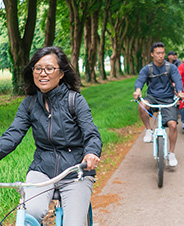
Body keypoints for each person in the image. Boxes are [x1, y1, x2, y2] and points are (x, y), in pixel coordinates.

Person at [0, 46, 102, 225]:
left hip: (76, 171)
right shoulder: (29, 105)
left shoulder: (75, 101)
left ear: (61, 73)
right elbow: (12, 135)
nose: (42, 74)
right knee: (28, 214)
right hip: (42, 170)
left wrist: (91, 153)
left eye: (49, 68)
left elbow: (91, 133)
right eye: (38, 68)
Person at [133, 42, 184, 167]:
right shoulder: (148, 68)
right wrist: (138, 89)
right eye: (158, 53)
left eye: (162, 53)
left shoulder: (170, 67)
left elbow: (178, 80)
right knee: (141, 106)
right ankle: (149, 130)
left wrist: (180, 91)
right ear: (152, 54)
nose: (160, 56)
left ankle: (171, 153)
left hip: (167, 99)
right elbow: (140, 80)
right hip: (152, 98)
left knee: (172, 125)